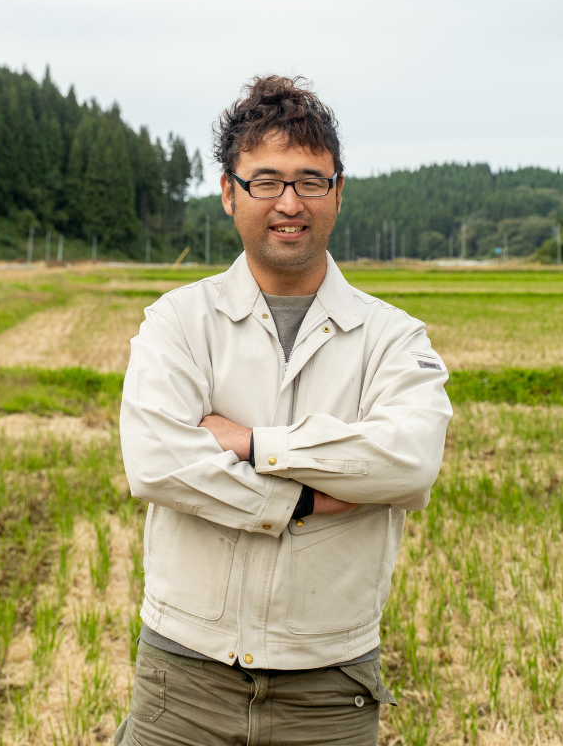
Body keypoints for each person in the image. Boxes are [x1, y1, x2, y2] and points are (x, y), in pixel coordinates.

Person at [115, 75, 452, 745]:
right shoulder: (179, 321)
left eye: (310, 180)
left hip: (329, 686)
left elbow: (408, 465)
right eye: (265, 181)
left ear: (339, 191)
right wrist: (305, 498)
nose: (289, 203)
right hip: (183, 678)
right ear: (228, 192)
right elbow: (157, 464)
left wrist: (251, 444)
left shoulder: (393, 336)